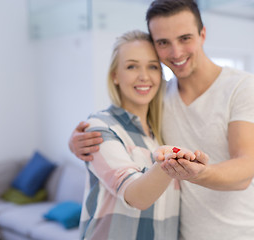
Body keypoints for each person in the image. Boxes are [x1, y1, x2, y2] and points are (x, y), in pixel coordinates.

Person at [70, 0, 254, 239]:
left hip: (243, 233)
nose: (176, 52)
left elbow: (245, 170)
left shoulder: (244, 88)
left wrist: (194, 173)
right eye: (163, 43)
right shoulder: (158, 98)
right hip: (183, 233)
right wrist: (75, 142)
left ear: (202, 34)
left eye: (185, 38)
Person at [77, 29, 207, 240]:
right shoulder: (100, 127)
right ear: (115, 76)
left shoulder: (161, 133)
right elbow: (136, 196)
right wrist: (168, 163)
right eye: (131, 66)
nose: (144, 76)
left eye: (153, 67)